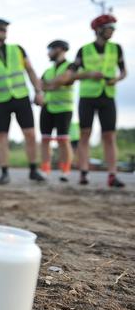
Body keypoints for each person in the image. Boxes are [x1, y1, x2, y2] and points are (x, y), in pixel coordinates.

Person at [0, 18, 46, 185]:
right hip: (1, 102)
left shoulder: (18, 50)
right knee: (2, 137)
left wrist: (38, 91)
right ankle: (4, 171)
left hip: (21, 98)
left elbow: (30, 70)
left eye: (5, 30)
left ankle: (34, 170)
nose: (3, 33)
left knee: (30, 134)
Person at [71, 14, 127, 188]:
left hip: (107, 95)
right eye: (109, 28)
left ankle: (112, 175)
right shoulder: (84, 50)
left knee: (109, 136)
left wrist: (116, 79)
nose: (112, 31)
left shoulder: (116, 49)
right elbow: (72, 74)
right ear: (98, 30)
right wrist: (87, 74)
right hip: (88, 97)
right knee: (85, 134)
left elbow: (124, 72)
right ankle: (83, 172)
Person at [40, 40, 75, 182]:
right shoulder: (48, 71)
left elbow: (65, 78)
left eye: (51, 49)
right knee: (45, 139)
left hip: (64, 109)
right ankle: (45, 170)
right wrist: (53, 84)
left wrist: (50, 85)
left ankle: (65, 170)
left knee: (63, 140)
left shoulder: (71, 66)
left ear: (60, 49)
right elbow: (41, 85)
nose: (48, 53)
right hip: (47, 107)